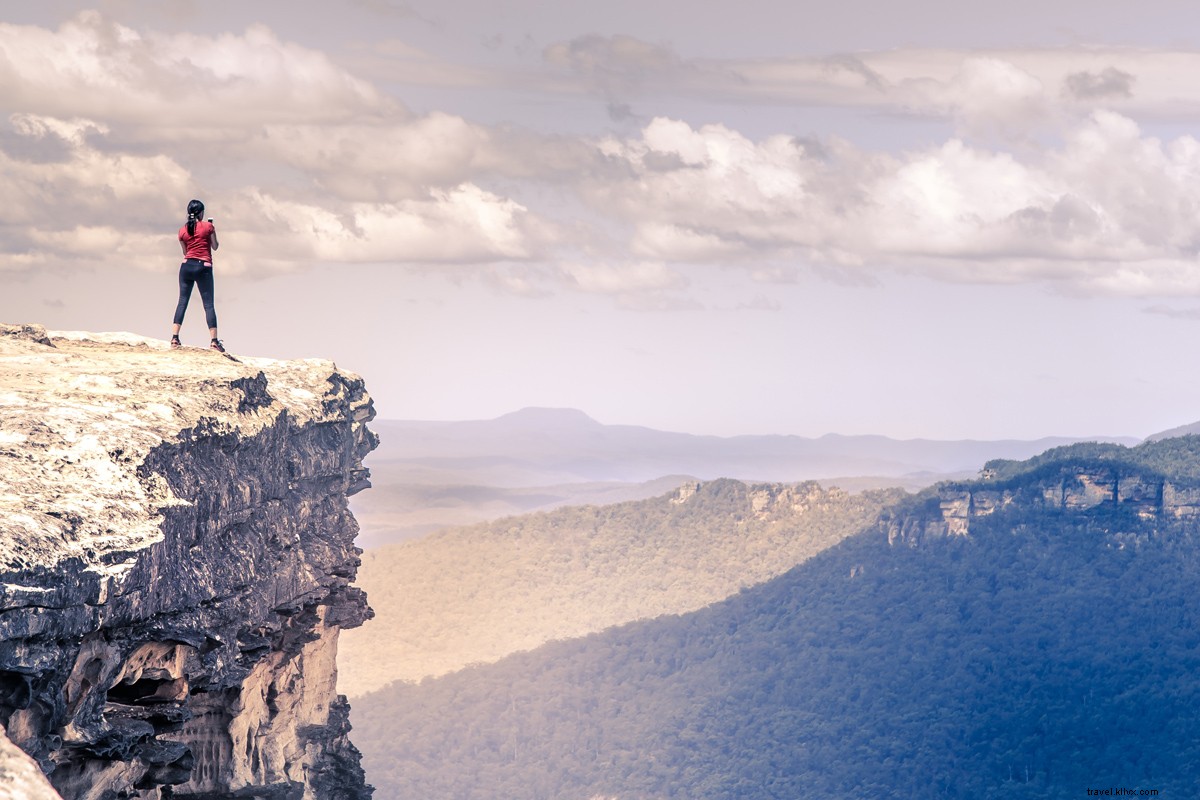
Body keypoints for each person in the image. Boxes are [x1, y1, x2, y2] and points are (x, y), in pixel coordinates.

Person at [170, 199, 225, 352]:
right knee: (208, 305)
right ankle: (214, 341)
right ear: (201, 212)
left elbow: (185, 252)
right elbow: (215, 246)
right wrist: (211, 231)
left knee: (182, 301)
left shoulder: (182, 230)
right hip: (203, 267)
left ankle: (175, 338)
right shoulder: (208, 226)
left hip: (186, 266)